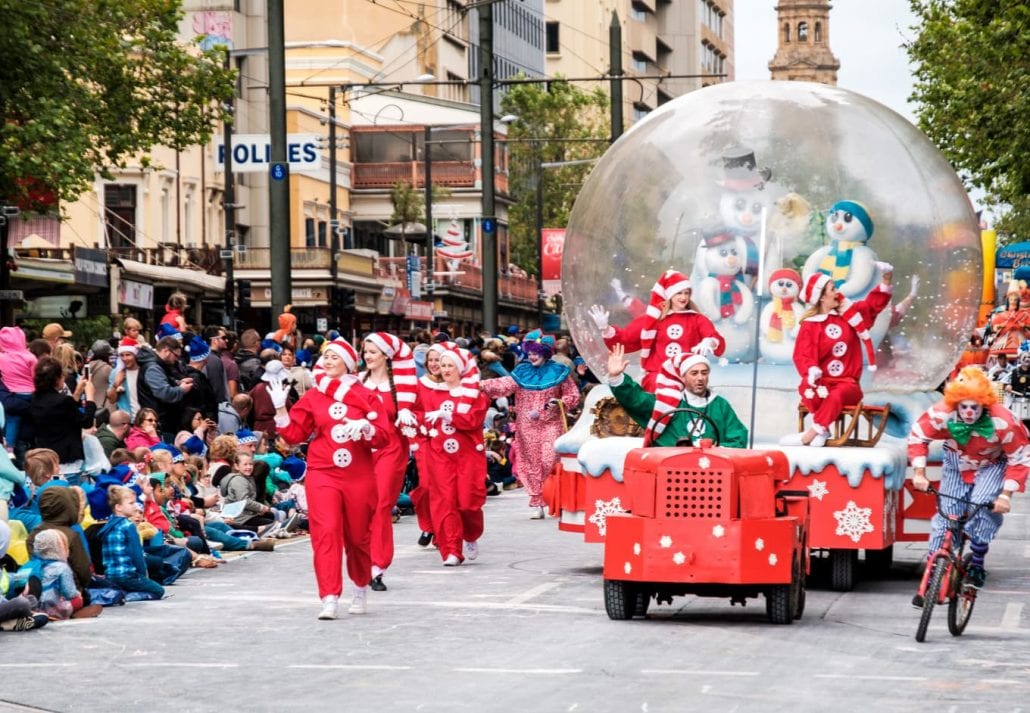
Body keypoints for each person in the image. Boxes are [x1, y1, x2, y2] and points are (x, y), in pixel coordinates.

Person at [268, 337, 392, 620]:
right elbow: (294, 436)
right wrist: (281, 409)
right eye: (325, 357)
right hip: (323, 472)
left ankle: (360, 586)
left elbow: (384, 438)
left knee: (359, 537)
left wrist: (368, 427)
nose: (327, 361)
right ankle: (329, 596)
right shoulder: (313, 395)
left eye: (334, 357)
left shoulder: (367, 395)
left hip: (358, 475)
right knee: (326, 533)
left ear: (348, 363)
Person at [908, 366, 1028, 592]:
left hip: (992, 463)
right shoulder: (941, 414)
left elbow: (1020, 457)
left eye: (975, 406)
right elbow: (918, 436)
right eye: (964, 406)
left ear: (985, 404)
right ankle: (936, 569)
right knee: (947, 514)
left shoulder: (1004, 421)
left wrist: (1005, 495)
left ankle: (977, 563)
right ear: (956, 403)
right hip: (956, 461)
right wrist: (919, 472)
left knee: (982, 505)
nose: (969, 412)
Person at [780, 269, 892, 447]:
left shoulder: (849, 315)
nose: (837, 293)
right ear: (821, 297)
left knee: (836, 395)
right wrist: (811, 370)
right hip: (823, 383)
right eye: (832, 289)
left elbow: (870, 307)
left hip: (848, 384)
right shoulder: (810, 325)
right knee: (806, 388)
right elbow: (802, 354)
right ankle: (824, 429)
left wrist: (885, 282)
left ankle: (809, 434)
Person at [480, 330, 580, 519]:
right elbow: (504, 385)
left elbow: (572, 396)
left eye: (535, 353)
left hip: (552, 424)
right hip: (526, 427)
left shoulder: (558, 371)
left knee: (550, 459)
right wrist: (482, 385)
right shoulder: (522, 371)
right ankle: (538, 502)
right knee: (532, 464)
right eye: (530, 353)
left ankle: (554, 496)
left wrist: (558, 404)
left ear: (544, 352)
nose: (532, 356)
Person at [589, 269, 725, 391]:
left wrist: (709, 341)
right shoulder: (654, 320)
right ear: (669, 294)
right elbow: (626, 339)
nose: (683, 297)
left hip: (687, 378)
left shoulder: (697, 319)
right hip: (657, 379)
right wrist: (605, 328)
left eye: (686, 293)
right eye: (679, 293)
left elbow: (714, 338)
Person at [415, 344, 488, 566]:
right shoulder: (431, 392)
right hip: (440, 455)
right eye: (443, 365)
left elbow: (473, 421)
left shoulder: (474, 394)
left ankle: (471, 534)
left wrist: (448, 415)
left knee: (467, 503)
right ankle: (451, 549)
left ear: (461, 368)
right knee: (444, 502)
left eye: (450, 365)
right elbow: (420, 416)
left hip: (467, 456)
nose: (445, 369)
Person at [359, 332, 417, 592]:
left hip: (392, 450)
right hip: (361, 451)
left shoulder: (403, 388)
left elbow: (420, 414)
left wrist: (411, 419)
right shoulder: (357, 382)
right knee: (362, 507)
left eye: (372, 352)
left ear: (385, 355)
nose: (367, 356)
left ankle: (377, 565)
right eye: (365, 352)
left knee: (382, 504)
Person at [606, 345, 748, 447]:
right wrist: (616, 376)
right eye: (694, 373)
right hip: (670, 475)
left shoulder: (719, 405)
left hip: (710, 476)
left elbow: (738, 437)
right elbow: (635, 399)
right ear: (683, 378)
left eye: (704, 373)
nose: (700, 378)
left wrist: (716, 449)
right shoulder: (667, 404)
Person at [29, 357, 96, 484]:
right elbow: (86, 422)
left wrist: (77, 392)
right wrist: (90, 397)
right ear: (57, 379)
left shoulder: (35, 399)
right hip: (67, 462)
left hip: (45, 460)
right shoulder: (63, 401)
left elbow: (65, 413)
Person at [98, 485, 165, 600]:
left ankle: (119, 592)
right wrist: (143, 575)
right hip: (127, 575)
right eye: (131, 503)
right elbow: (136, 554)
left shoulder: (108, 526)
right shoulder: (128, 526)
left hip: (111, 575)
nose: (135, 507)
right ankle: (126, 596)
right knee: (158, 590)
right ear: (118, 507)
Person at [137, 336, 194, 440]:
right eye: (175, 356)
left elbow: (164, 381)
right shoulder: (153, 368)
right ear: (166, 351)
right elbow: (164, 393)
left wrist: (177, 383)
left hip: (163, 421)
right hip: (160, 424)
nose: (176, 360)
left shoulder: (158, 365)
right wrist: (181, 390)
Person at [21, 529, 80, 620]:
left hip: (28, 606)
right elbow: (70, 593)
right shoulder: (61, 567)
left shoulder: (29, 564)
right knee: (78, 600)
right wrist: (79, 594)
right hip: (52, 607)